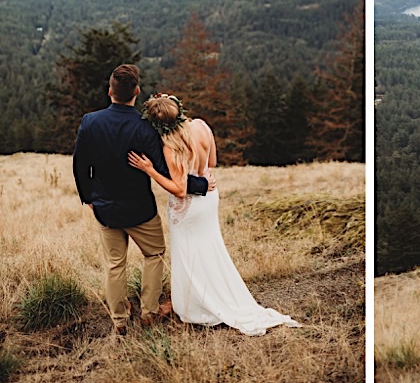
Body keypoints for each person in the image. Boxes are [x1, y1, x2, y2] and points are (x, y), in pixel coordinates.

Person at [127, 93, 300, 336]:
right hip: (209, 196)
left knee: (188, 253)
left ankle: (194, 305)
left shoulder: (171, 144)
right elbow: (213, 161)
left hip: (186, 206)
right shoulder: (201, 126)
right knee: (209, 247)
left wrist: (150, 170)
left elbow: (179, 188)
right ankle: (213, 293)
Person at [72, 64, 210, 335]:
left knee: (114, 263)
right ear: (136, 91)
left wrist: (88, 197)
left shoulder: (90, 121)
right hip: (140, 211)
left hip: (105, 209)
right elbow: (162, 168)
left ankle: (119, 320)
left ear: (110, 91)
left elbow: (80, 165)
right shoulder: (145, 128)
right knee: (154, 254)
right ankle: (149, 312)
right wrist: (203, 184)